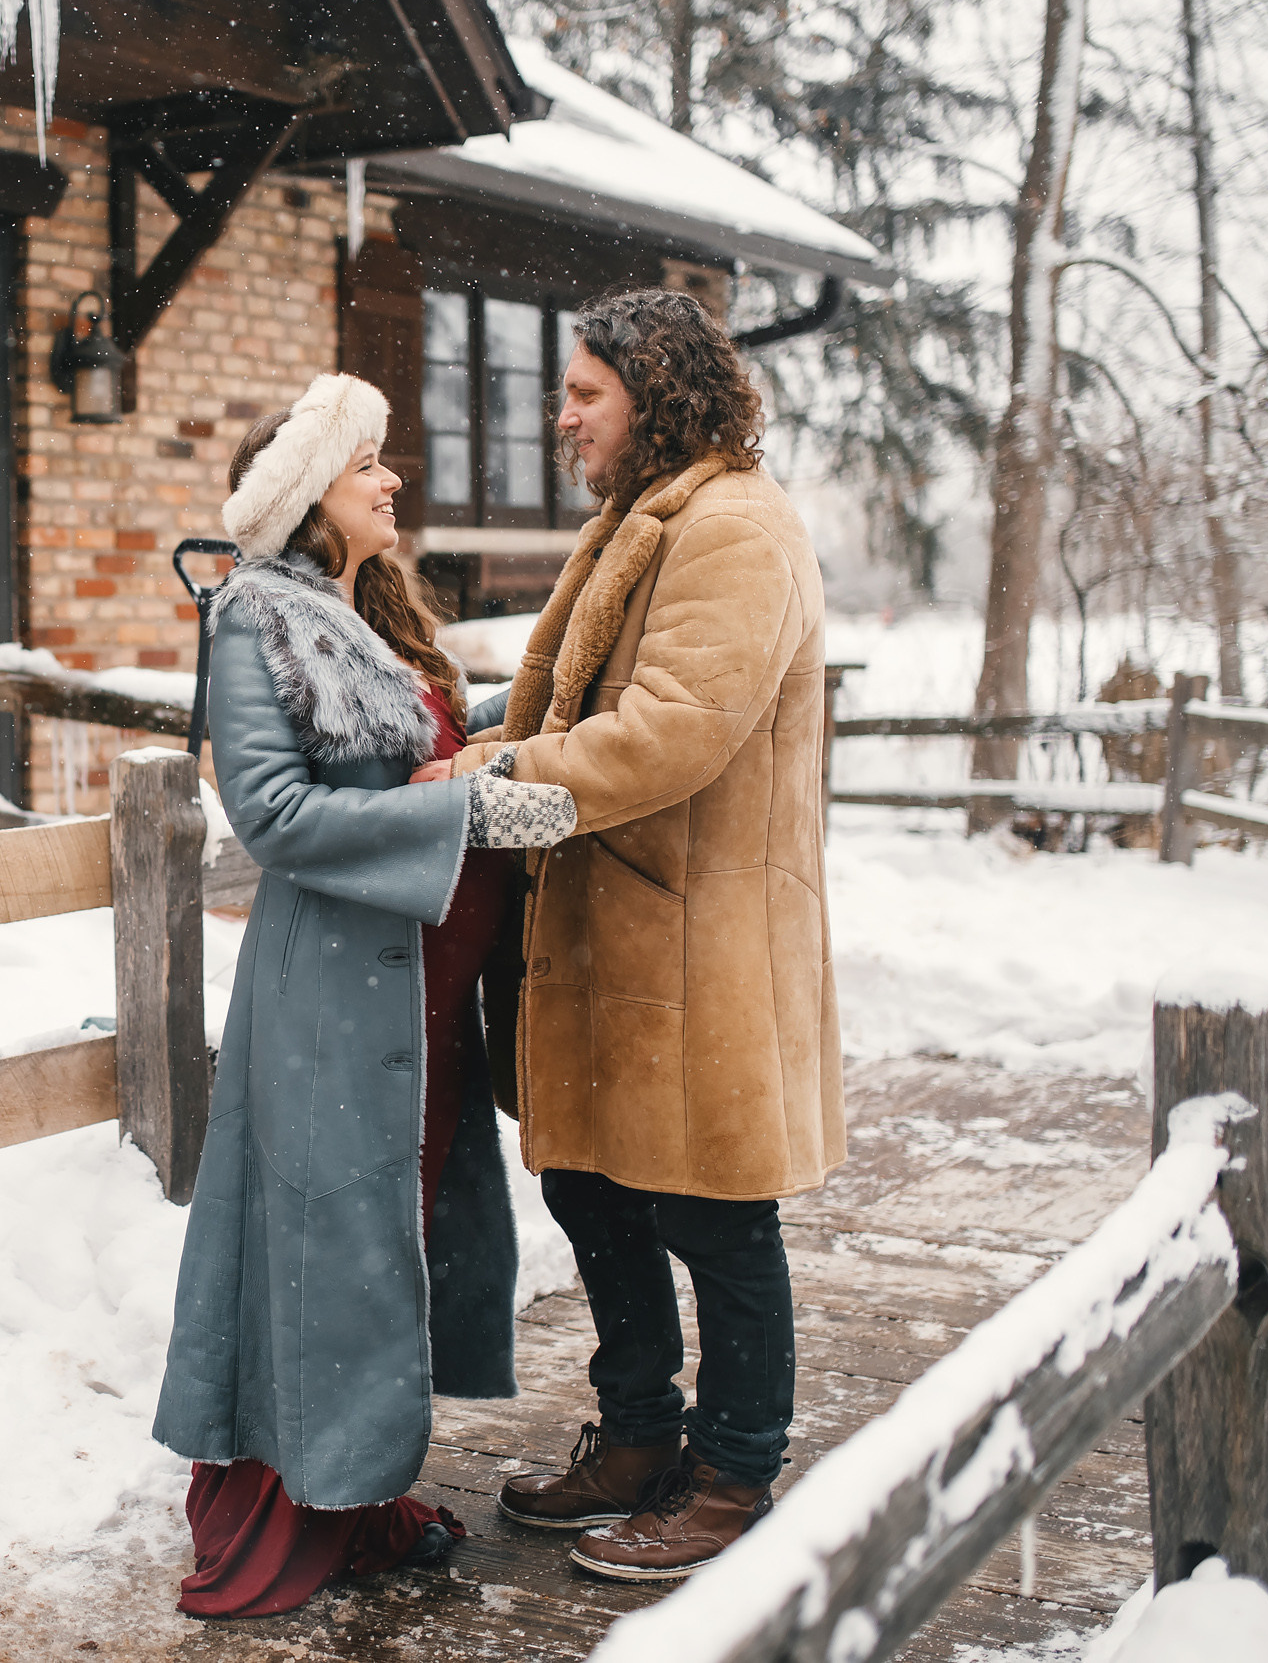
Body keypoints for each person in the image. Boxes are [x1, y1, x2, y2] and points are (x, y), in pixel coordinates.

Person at [418, 287, 842, 1580]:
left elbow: (671, 730)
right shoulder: (638, 523)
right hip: (605, 941)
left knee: (716, 1212)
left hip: (698, 944)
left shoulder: (735, 528)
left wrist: (485, 787)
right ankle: (643, 1436)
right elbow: (565, 697)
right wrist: (464, 736)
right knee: (594, 1186)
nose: (564, 417)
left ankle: (732, 1473)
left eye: (585, 392)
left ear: (658, 396)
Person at [152, 372, 579, 1619]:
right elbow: (274, 816)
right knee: (318, 1240)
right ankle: (286, 1513)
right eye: (364, 466)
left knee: (379, 1242)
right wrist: (467, 806)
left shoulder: (369, 609)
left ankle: (356, 1486)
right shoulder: (255, 618)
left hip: (423, 993)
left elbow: (420, 746)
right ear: (303, 497)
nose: (391, 479)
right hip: (336, 990)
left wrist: (534, 732)